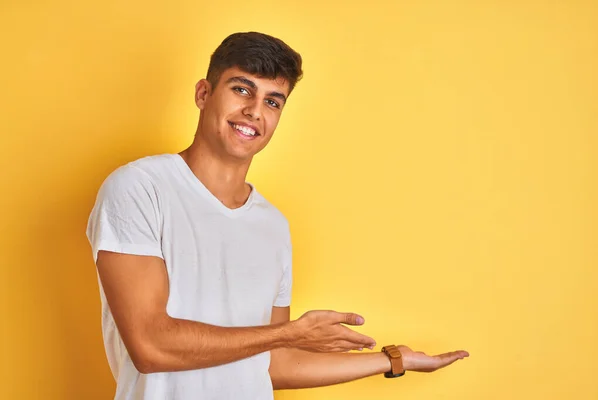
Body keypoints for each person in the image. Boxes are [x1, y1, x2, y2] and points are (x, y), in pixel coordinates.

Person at [86, 31, 469, 400]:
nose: (254, 112)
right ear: (204, 93)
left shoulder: (272, 225)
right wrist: (286, 333)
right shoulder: (139, 188)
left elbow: (273, 365)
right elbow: (152, 346)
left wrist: (392, 361)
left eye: (273, 101)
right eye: (241, 89)